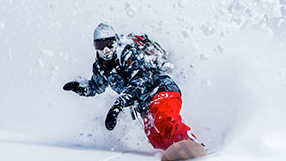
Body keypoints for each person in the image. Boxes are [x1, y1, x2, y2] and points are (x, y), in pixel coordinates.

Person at [63, 23, 196, 150]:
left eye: (108, 44)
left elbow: (139, 83)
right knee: (155, 138)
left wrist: (118, 105)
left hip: (160, 90)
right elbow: (96, 86)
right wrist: (79, 87)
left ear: (114, 41)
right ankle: (177, 152)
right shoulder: (101, 66)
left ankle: (192, 143)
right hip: (144, 105)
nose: (105, 50)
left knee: (164, 121)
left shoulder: (127, 54)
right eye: (100, 45)